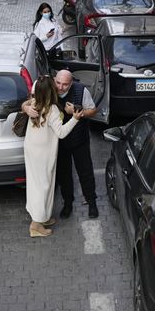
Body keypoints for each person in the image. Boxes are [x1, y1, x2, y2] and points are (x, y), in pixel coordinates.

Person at [21, 76, 83, 237]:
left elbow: (25, 103)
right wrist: (75, 119)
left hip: (32, 149)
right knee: (43, 186)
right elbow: (61, 133)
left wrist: (25, 107)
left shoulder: (34, 103)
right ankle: (36, 226)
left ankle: (42, 217)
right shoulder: (52, 109)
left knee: (37, 185)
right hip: (43, 153)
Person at [51, 70, 98, 219]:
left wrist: (77, 111)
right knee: (64, 175)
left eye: (65, 84)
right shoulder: (50, 90)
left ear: (71, 83)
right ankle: (68, 204)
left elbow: (93, 110)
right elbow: (32, 100)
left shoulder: (81, 90)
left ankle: (91, 202)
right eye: (58, 83)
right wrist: (26, 108)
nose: (61, 87)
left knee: (86, 172)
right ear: (54, 80)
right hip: (60, 141)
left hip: (79, 140)